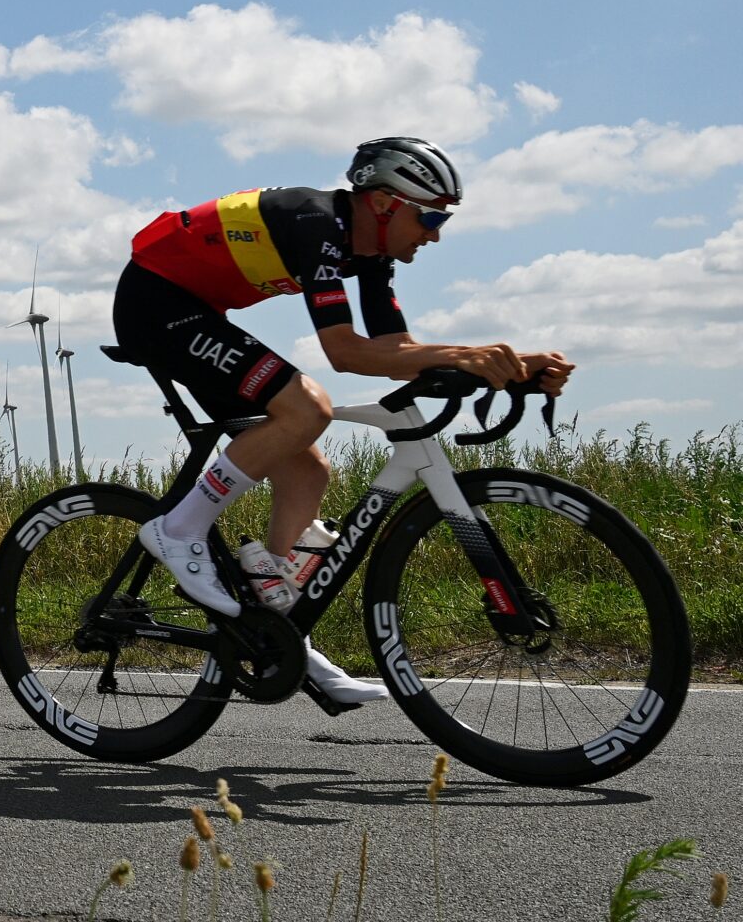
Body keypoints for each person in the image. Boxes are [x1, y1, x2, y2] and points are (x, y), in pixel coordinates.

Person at [117, 136, 573, 705]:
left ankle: (281, 637)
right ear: (384, 204)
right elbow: (345, 353)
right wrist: (464, 353)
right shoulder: (317, 225)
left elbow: (394, 349)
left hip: (198, 310)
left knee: (309, 472)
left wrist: (503, 366)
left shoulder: (372, 255)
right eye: (429, 217)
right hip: (155, 305)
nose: (434, 235)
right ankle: (177, 529)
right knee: (308, 407)